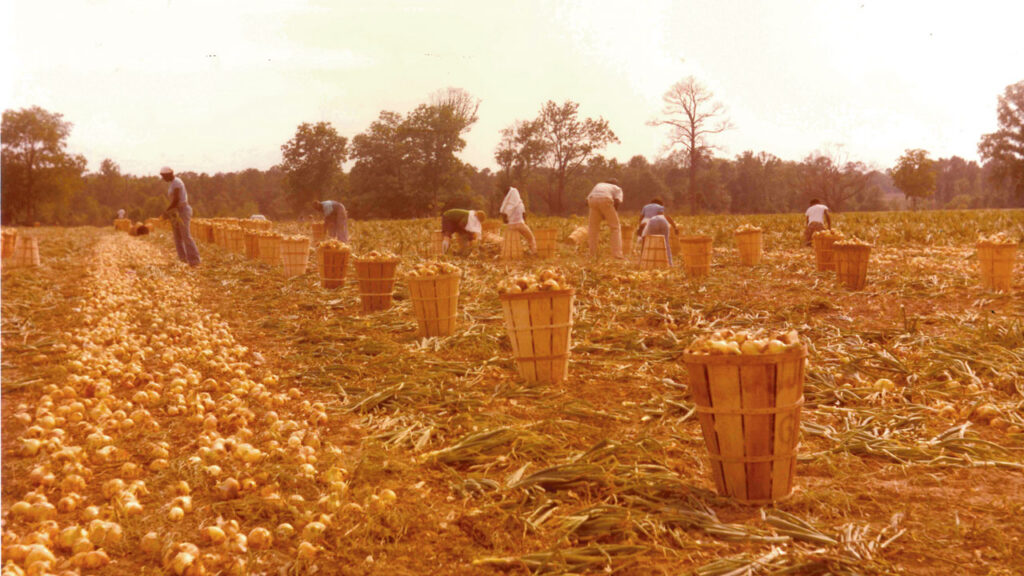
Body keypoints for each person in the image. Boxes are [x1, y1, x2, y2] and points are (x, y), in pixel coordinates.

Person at [160, 166, 200, 267]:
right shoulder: (172, 183)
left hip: (182, 210)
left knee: (185, 235)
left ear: (169, 174)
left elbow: (176, 200)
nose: (163, 178)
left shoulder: (177, 182)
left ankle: (195, 260)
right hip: (176, 211)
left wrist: (166, 212)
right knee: (177, 237)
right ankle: (183, 260)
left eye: (164, 176)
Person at [587, 178, 625, 259]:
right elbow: (617, 201)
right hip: (605, 199)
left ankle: (592, 254)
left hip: (592, 200)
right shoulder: (617, 188)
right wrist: (611, 213)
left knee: (593, 228)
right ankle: (617, 254)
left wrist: (602, 213)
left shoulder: (599, 184)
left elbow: (587, 201)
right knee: (615, 227)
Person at [499, 187, 537, 254]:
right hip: (520, 224)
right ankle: (534, 252)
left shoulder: (507, 206)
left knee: (511, 240)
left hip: (510, 226)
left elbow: (505, 221)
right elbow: (524, 216)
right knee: (531, 238)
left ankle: (509, 253)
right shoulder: (519, 204)